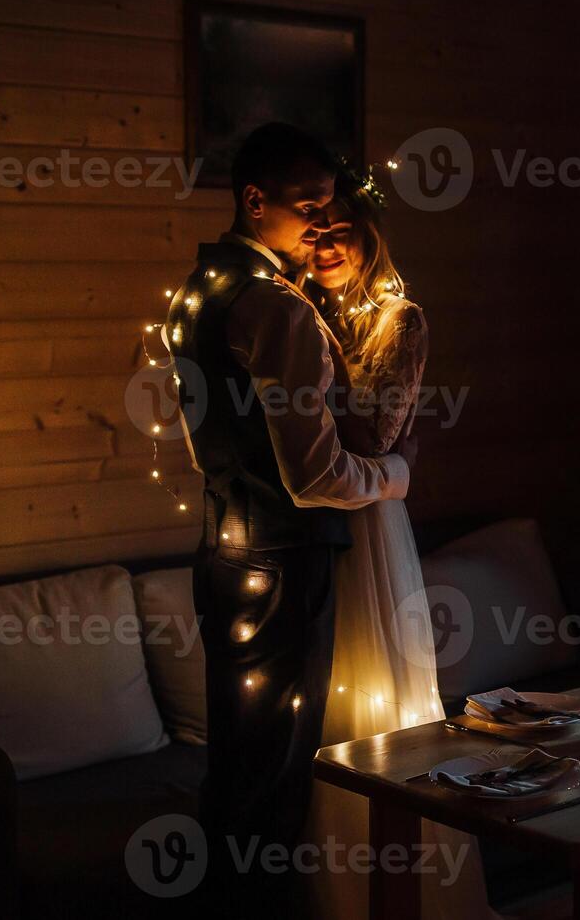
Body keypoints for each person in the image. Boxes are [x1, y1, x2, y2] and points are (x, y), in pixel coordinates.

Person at [164, 124, 415, 914]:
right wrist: (395, 477)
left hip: (226, 552)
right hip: (283, 558)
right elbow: (315, 477)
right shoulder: (277, 307)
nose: (320, 222)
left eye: (329, 205)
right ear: (254, 201)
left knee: (237, 772)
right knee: (273, 785)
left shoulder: (199, 289)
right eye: (307, 206)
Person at [301, 168, 501, 920]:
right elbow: (374, 447)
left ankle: (406, 893)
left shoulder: (400, 320)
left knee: (380, 698)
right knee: (324, 703)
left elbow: (376, 432)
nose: (323, 244)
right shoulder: (294, 316)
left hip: (372, 524)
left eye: (339, 229)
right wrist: (394, 464)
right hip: (326, 511)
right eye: (312, 230)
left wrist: (388, 461)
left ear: (368, 234)